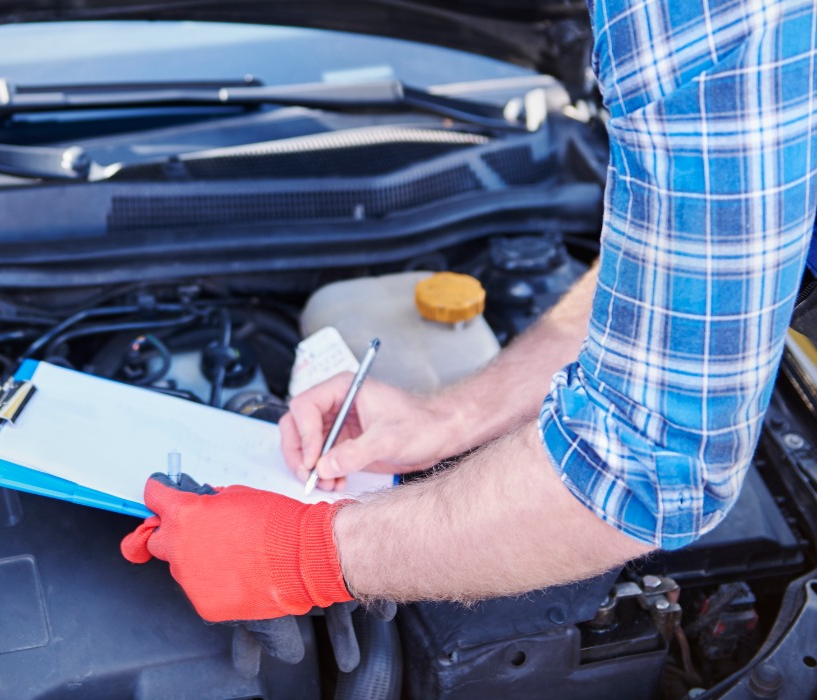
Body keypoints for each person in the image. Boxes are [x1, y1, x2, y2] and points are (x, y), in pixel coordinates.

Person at [121, 0, 817, 624]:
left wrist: (305, 555)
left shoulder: (697, 16)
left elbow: (649, 467)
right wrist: (451, 416)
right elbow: (674, 256)